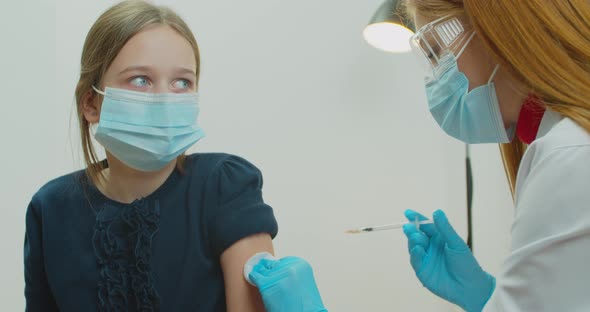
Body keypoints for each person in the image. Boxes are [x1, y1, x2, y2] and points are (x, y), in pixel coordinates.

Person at [248, 1, 590, 311]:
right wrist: (485, 297)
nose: (435, 76)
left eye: (435, 52)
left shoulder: (568, 156)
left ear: (493, 30)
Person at [24, 1, 277, 311]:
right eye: (140, 80)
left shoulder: (226, 187)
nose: (164, 100)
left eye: (181, 82)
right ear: (91, 103)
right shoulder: (50, 208)